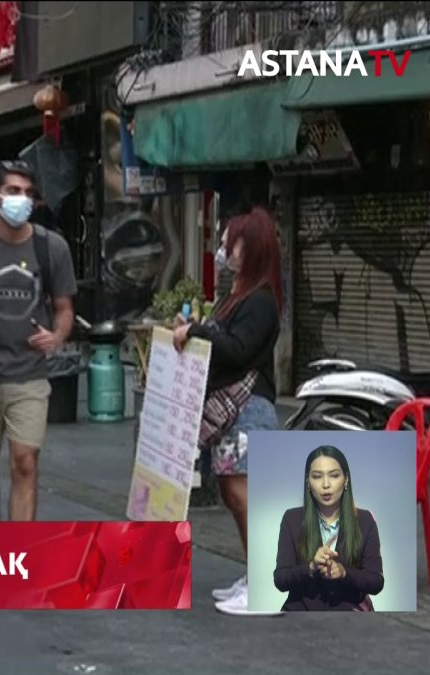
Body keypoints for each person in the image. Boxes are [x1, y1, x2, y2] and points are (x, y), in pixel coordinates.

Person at [174, 206, 283, 616]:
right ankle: (256, 575)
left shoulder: (260, 302)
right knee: (233, 494)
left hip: (248, 410)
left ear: (252, 247)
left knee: (243, 495)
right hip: (231, 413)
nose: (224, 249)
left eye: (231, 241)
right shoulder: (239, 294)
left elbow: (238, 350)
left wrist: (199, 332)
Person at [0, 160, 78, 523]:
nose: (21, 199)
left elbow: (64, 308)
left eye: (28, 193)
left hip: (29, 374)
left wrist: (57, 335)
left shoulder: (50, 247)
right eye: (13, 191)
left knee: (25, 463)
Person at [274, 445, 384, 611]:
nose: (326, 484)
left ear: (346, 480)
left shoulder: (365, 520)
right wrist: (311, 568)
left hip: (349, 612)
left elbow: (376, 581)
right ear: (308, 482)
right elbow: (281, 579)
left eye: (334, 476)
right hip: (300, 612)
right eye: (317, 477)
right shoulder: (292, 518)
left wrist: (343, 572)